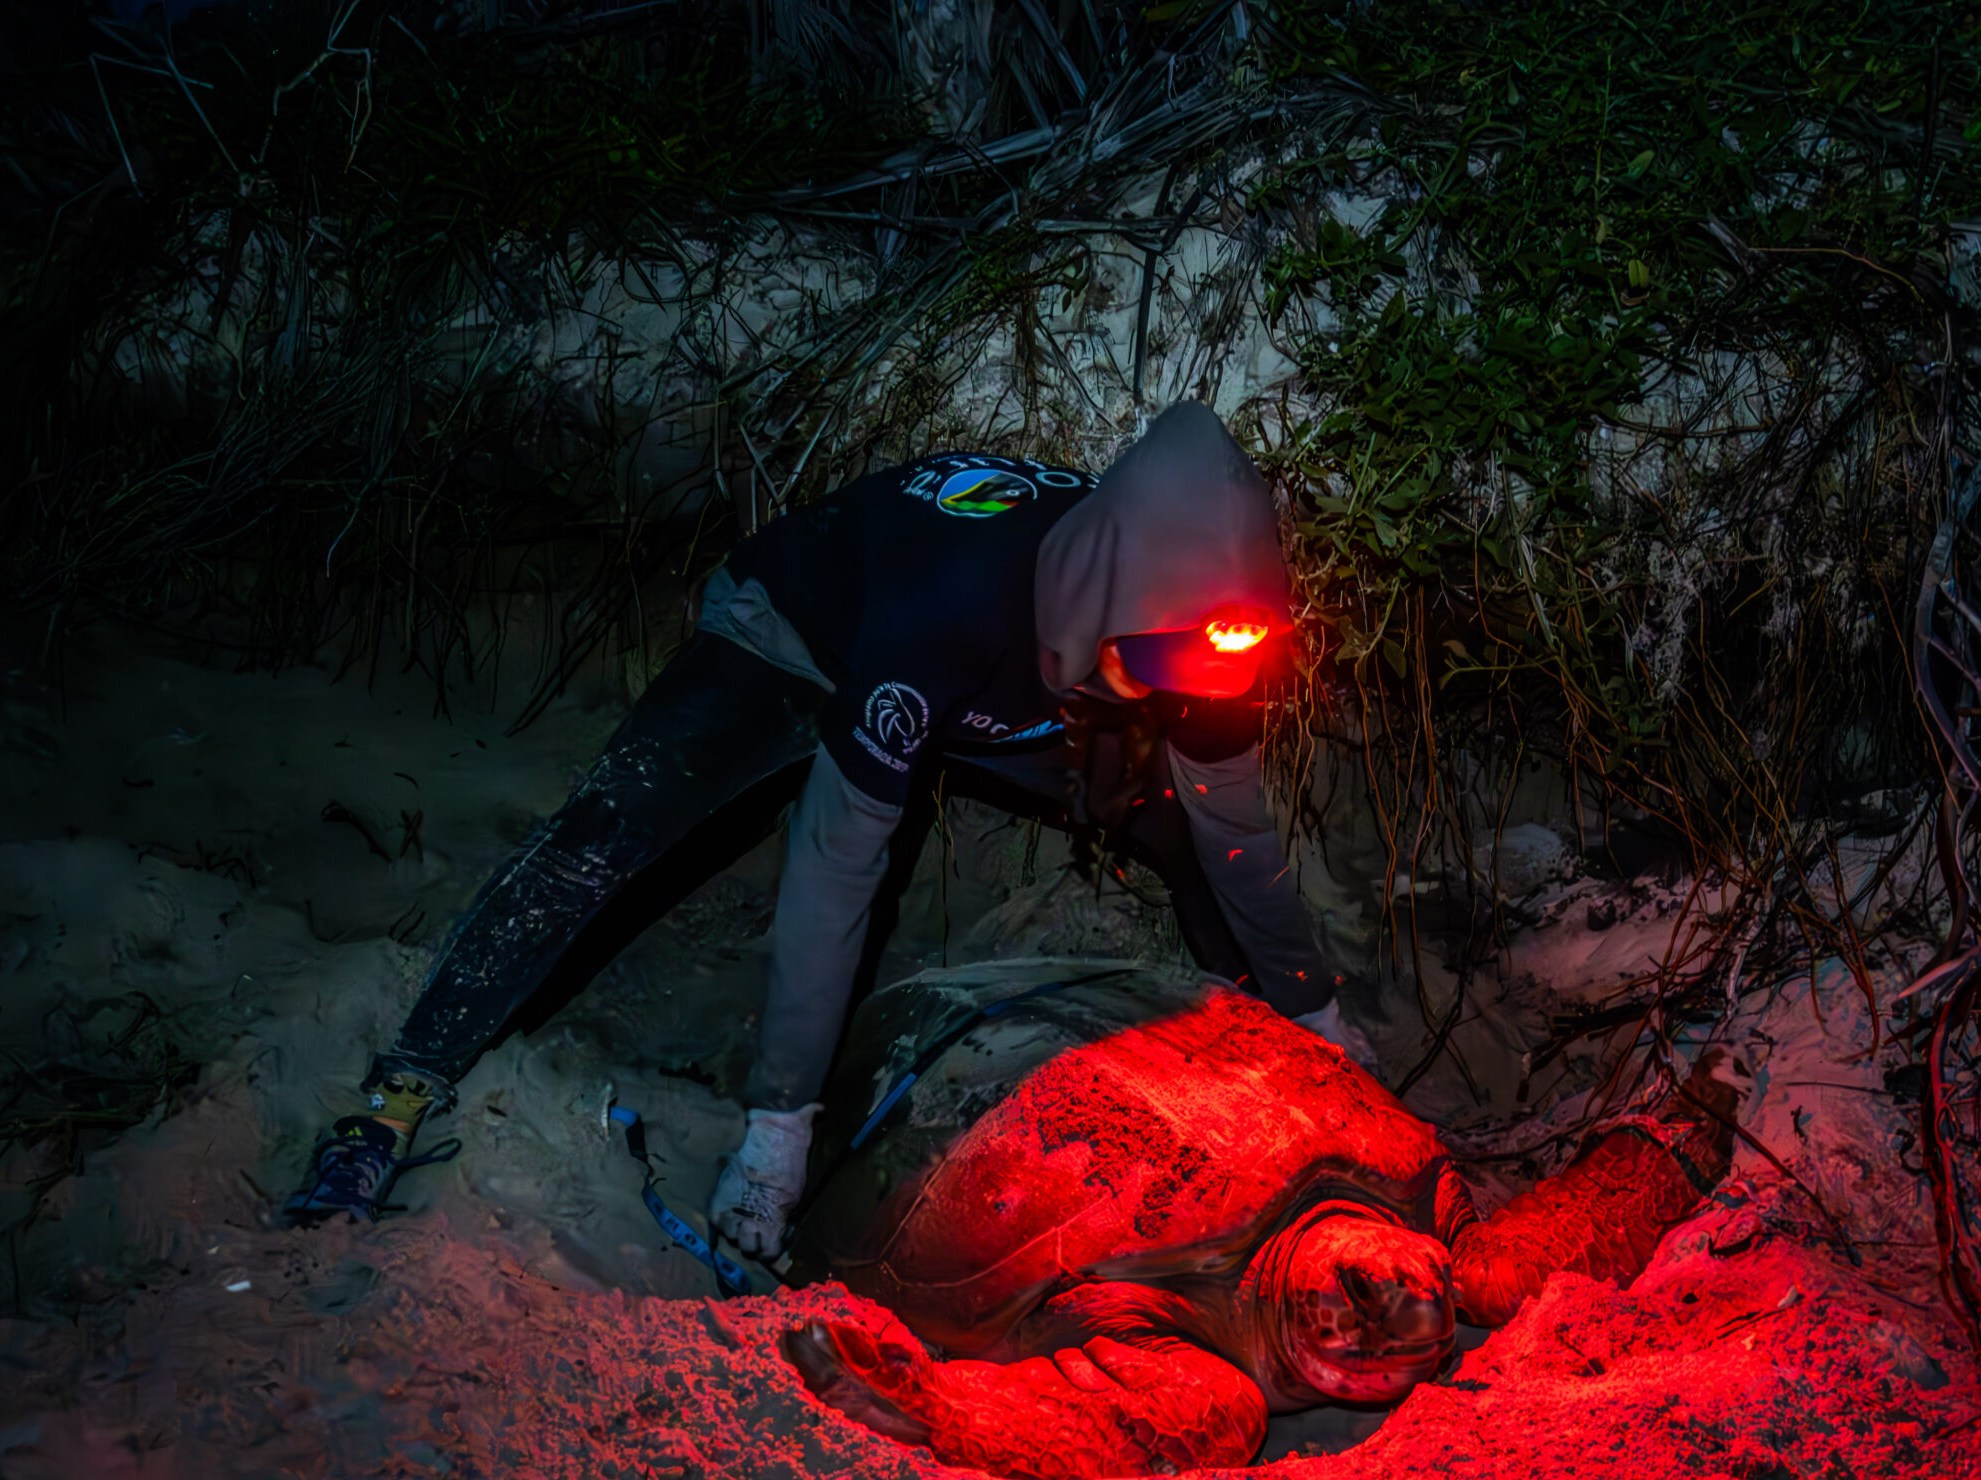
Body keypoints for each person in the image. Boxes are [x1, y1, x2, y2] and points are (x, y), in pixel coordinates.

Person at [284, 400, 1374, 1259]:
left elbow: (1241, 832)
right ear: (1104, 610)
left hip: (1019, 684)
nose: (1193, 692)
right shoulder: (942, 617)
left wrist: (1322, 1019)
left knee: (1187, 835)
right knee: (611, 828)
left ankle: (1282, 1064)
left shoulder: (1185, 617)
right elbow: (835, 870)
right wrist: (779, 1129)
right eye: (1169, 664)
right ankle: (399, 1088)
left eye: (1212, 667)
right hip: (799, 637)